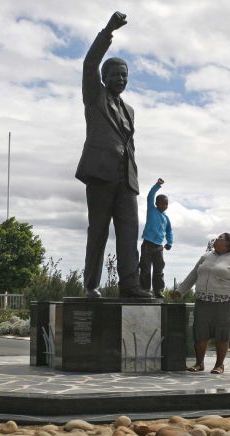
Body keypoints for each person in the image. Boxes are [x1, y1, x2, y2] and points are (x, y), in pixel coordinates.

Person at [75, 11, 151, 299]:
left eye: (125, 75)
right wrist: (108, 30)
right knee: (99, 232)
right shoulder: (95, 95)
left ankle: (129, 285)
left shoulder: (129, 110)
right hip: (101, 173)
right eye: (116, 74)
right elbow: (89, 62)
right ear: (105, 77)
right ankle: (90, 285)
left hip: (125, 179)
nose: (121, 79)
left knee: (129, 232)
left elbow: (128, 143)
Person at [173, 233, 230, 374]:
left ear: (228, 243)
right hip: (203, 301)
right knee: (200, 333)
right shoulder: (206, 256)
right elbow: (193, 275)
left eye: (220, 237)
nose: (216, 239)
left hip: (224, 303)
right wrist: (180, 290)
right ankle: (199, 364)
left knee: (222, 334)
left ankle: (219, 365)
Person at [139, 178, 173, 298]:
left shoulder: (166, 218)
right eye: (162, 203)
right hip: (147, 245)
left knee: (159, 271)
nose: (164, 206)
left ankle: (158, 290)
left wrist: (170, 242)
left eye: (166, 204)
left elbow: (169, 231)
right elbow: (150, 195)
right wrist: (158, 185)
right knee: (145, 270)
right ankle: (145, 290)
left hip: (159, 247)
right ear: (156, 203)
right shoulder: (151, 209)